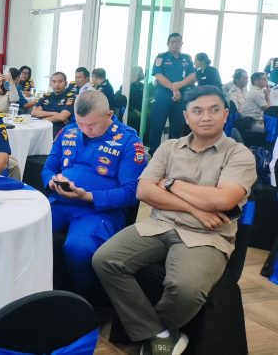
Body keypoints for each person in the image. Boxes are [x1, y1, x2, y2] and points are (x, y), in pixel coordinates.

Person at [92, 86, 256, 355]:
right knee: (105, 259)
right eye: (197, 111)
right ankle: (159, 335)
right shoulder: (169, 148)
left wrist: (170, 183)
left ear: (225, 114)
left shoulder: (239, 154)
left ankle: (158, 334)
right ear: (186, 116)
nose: (206, 117)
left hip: (207, 235)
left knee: (185, 288)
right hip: (159, 225)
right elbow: (143, 190)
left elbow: (223, 201)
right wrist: (196, 208)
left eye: (214, 110)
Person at [42, 90, 147, 293]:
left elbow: (131, 193)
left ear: (109, 115)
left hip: (99, 211)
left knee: (77, 248)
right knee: (28, 231)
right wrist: (52, 182)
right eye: (81, 123)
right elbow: (48, 168)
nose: (85, 130)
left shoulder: (128, 142)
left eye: (92, 125)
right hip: (61, 202)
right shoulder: (69, 132)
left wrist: (88, 196)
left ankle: (87, 298)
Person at [148, 32, 196, 154]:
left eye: (178, 42)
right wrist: (174, 88)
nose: (175, 44)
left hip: (182, 94)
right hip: (164, 93)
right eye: (173, 42)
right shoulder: (161, 57)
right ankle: (154, 152)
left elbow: (192, 75)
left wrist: (179, 85)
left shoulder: (187, 58)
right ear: (168, 44)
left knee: (177, 125)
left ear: (182, 43)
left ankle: (173, 153)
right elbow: (158, 75)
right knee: (157, 123)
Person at [32, 72, 76, 137]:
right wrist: (55, 113)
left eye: (60, 81)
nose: (56, 84)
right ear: (50, 83)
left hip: (59, 131)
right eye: (54, 81)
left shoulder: (70, 97)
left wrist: (42, 119)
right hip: (42, 129)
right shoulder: (46, 96)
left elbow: (62, 117)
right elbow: (34, 112)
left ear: (66, 83)